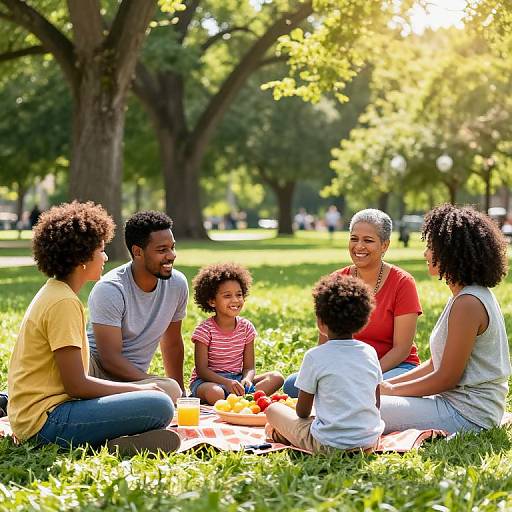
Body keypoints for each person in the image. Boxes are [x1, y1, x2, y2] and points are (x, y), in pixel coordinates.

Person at [7, 202, 179, 454]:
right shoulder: (63, 302)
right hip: (45, 423)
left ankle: (109, 444)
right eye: (101, 249)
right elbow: (77, 385)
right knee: (160, 404)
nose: (106, 257)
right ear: (82, 258)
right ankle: (105, 446)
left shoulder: (56, 293)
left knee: (158, 396)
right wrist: (138, 389)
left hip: (42, 415)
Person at [380, 204, 511, 433]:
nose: (425, 254)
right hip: (453, 404)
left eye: (431, 247)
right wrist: (388, 385)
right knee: (362, 402)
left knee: (359, 408)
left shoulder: (468, 303)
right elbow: (435, 363)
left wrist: (390, 392)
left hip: (468, 414)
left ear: (451, 252)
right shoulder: (464, 296)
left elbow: (446, 378)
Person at [284, 208, 422, 397]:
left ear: (385, 245)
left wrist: (365, 374)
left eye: (368, 240)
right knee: (293, 385)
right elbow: (325, 342)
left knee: (365, 391)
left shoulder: (402, 283)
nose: (359, 246)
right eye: (354, 238)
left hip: (393, 368)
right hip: (345, 368)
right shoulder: (336, 280)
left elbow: (402, 349)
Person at [265, 274, 384, 453]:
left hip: (328, 444)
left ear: (321, 322)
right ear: (362, 321)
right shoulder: (369, 352)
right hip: (368, 441)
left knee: (273, 410)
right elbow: (376, 403)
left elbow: (302, 412)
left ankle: (280, 435)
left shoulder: (315, 356)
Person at [87, 211, 188, 403]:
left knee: (172, 390)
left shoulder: (177, 284)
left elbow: (172, 343)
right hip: (94, 371)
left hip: (133, 378)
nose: (171, 256)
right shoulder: (110, 289)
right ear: (137, 252)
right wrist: (150, 384)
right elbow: (109, 359)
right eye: (162, 250)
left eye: (172, 247)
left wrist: (181, 394)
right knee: (165, 391)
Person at [189, 263, 284, 405]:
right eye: (227, 296)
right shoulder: (204, 330)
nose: (235, 300)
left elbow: (249, 367)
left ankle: (237, 400)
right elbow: (202, 370)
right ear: (212, 301)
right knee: (215, 393)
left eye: (239, 295)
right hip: (209, 381)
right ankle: (239, 400)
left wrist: (247, 379)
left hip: (237, 380)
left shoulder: (246, 328)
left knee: (276, 377)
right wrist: (226, 382)